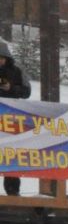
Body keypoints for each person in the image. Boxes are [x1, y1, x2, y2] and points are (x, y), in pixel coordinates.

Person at [1, 38, 28, 197]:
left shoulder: (16, 71)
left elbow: (26, 92)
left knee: (10, 154)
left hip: (10, 120)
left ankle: (12, 191)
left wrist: (11, 88)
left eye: (2, 58)